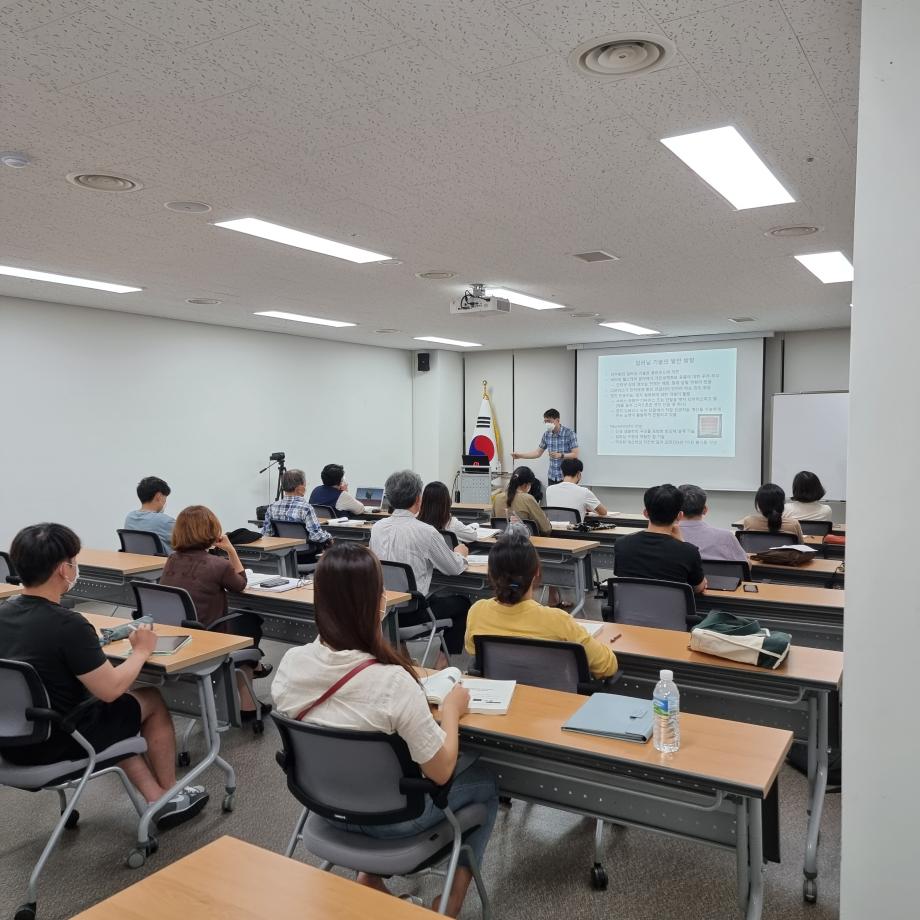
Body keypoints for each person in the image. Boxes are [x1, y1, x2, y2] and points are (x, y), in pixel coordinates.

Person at [272, 543, 498, 917]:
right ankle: (450, 904)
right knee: (487, 783)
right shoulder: (392, 682)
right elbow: (440, 772)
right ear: (377, 605)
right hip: (393, 823)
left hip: (325, 808)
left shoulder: (291, 665)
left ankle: (371, 881)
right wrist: (453, 712)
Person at [0, 523, 208, 828]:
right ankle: (168, 796)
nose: (75, 567)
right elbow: (110, 690)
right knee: (146, 698)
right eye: (73, 561)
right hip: (57, 740)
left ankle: (154, 796)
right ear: (62, 569)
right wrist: (140, 650)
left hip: (11, 741)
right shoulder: (68, 624)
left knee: (113, 713)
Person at [161, 506, 270, 717]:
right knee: (248, 621)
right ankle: (248, 700)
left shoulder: (171, 560)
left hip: (177, 636)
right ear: (211, 530)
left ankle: (253, 671)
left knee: (242, 622)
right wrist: (231, 550)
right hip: (208, 639)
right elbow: (241, 584)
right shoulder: (217, 565)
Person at [465, 534, 618, 679]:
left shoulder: (477, 612)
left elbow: (472, 650)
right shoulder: (558, 620)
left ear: (490, 573)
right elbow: (607, 666)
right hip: (555, 702)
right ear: (536, 571)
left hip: (502, 700)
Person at [369, 470, 470, 654]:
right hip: (413, 613)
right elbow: (453, 569)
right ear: (418, 498)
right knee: (463, 602)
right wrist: (460, 553)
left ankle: (403, 655)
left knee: (435, 597)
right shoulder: (426, 531)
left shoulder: (377, 528)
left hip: (383, 609)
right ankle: (441, 662)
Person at [614, 484, 707, 593]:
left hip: (630, 609)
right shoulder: (689, 552)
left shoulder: (622, 544)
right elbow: (698, 588)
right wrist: (682, 542)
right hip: (671, 610)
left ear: (645, 513)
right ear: (680, 516)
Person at [678, 484, 749, 562]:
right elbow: (744, 566)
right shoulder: (726, 537)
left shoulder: (665, 539)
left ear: (676, 511)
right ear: (705, 510)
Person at [261, 468, 332, 547]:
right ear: (300, 488)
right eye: (305, 484)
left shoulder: (271, 507)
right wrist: (329, 536)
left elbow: (267, 533)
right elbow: (316, 536)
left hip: (282, 550)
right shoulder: (306, 508)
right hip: (306, 551)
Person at [511, 408, 579, 485]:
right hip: (552, 476)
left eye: (549, 421)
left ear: (557, 420)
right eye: (545, 421)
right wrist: (520, 455)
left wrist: (561, 455)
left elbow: (575, 454)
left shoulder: (569, 433)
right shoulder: (547, 435)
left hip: (567, 477)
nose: (547, 424)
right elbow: (537, 453)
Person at [491, 466, 552, 535]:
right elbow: (546, 529)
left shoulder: (498, 498)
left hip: (502, 543)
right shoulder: (528, 499)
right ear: (526, 484)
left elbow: (492, 525)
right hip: (525, 543)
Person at [124, 476, 176, 553]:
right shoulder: (165, 521)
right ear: (158, 496)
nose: (165, 502)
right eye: (165, 498)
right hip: (162, 564)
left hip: (137, 563)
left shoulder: (130, 517)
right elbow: (192, 539)